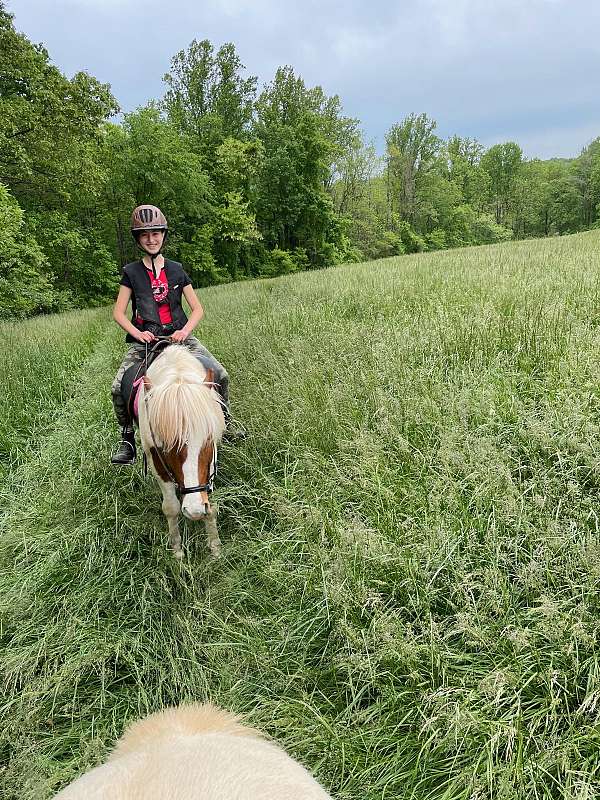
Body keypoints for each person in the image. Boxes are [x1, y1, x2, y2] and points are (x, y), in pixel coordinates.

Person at [111, 204, 243, 465]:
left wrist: (184, 331)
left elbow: (197, 308)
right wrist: (138, 333)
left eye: (156, 234)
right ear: (138, 239)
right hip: (147, 339)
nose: (151, 239)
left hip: (179, 336)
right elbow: (118, 312)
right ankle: (127, 439)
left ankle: (225, 424)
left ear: (163, 235)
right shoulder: (131, 273)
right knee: (118, 387)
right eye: (145, 235)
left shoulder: (176, 269)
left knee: (221, 373)